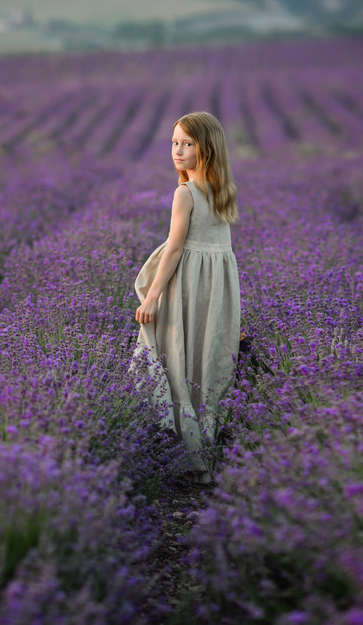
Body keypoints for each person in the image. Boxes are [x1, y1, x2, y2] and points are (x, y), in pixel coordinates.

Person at [134, 111, 241, 484]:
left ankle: (186, 458)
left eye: (187, 144)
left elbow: (175, 248)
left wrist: (152, 297)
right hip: (217, 292)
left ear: (206, 148)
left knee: (178, 361)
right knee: (206, 363)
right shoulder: (223, 192)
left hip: (187, 289)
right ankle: (207, 459)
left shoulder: (186, 193)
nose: (177, 151)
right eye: (174, 143)